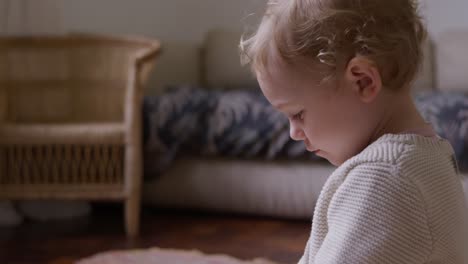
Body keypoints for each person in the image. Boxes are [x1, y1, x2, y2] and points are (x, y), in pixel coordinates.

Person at [240, 0, 468, 263]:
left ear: (363, 81)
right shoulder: (432, 158)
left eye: (298, 114)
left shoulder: (384, 179)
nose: (294, 132)